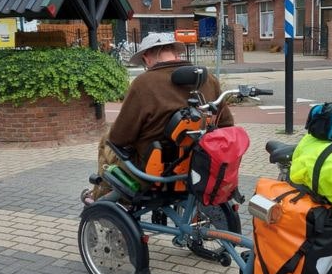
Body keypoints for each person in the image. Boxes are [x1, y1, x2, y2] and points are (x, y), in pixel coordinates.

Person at [85, 32, 234, 202]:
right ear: (176, 53)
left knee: (106, 141)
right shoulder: (209, 79)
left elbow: (120, 137)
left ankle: (99, 199)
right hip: (199, 166)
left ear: (148, 56)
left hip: (154, 171)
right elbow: (227, 124)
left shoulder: (144, 83)